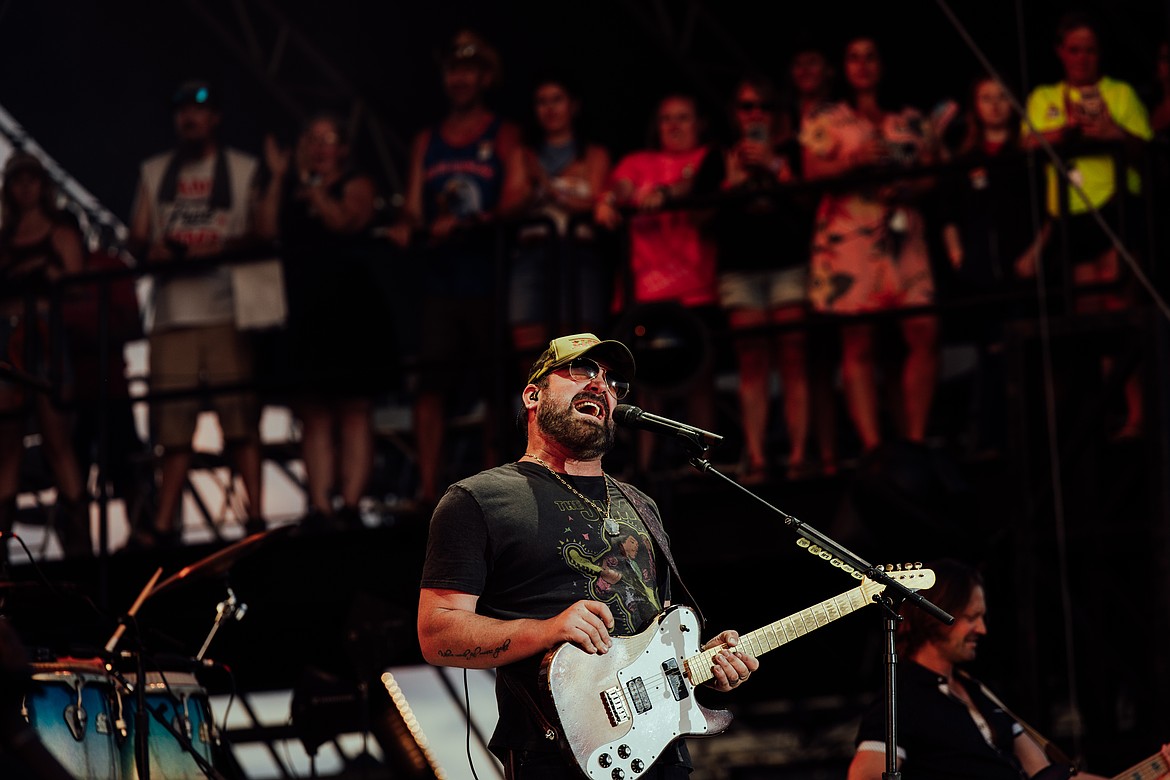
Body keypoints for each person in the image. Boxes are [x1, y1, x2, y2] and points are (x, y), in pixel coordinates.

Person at [418, 332, 760, 778]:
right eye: (582, 370)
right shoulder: (479, 499)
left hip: (660, 752)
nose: (601, 385)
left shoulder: (640, 504)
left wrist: (701, 663)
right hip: (556, 753)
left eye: (614, 382)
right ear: (533, 395)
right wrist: (546, 630)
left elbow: (654, 630)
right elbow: (436, 632)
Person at [846, 558, 1169, 780]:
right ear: (934, 616)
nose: (982, 629)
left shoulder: (977, 693)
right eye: (971, 617)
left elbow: (1045, 773)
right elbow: (865, 776)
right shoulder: (902, 700)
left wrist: (1159, 770)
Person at [387, 29, 529, 507]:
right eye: (453, 70)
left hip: (489, 277)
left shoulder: (503, 133)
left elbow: (516, 197)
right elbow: (413, 206)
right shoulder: (427, 141)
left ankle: (497, 491)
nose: (460, 78)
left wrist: (473, 221)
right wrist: (407, 224)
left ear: (485, 76)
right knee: (430, 386)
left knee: (495, 385)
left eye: (469, 69)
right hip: (440, 281)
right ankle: (429, 491)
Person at [127, 79, 265, 547]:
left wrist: (216, 248)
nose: (189, 117)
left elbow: (262, 232)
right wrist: (153, 250)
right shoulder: (154, 171)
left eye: (198, 110)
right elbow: (136, 236)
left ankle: (256, 518)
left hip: (228, 310)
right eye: (182, 110)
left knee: (240, 419)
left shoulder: (243, 168)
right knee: (173, 426)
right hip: (172, 315)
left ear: (215, 117)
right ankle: (166, 525)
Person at [801, 34, 941, 454]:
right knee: (858, 341)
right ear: (843, 67)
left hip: (901, 234)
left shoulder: (909, 118)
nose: (863, 65)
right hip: (850, 238)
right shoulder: (827, 117)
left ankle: (916, 442)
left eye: (870, 57)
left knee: (924, 330)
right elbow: (810, 171)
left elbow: (933, 173)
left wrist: (909, 186)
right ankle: (873, 448)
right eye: (854, 57)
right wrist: (854, 161)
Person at [257, 112, 392, 531]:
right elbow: (264, 230)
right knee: (313, 410)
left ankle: (350, 504)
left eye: (327, 139)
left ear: (343, 149)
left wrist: (313, 187)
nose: (318, 147)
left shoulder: (356, 183)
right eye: (311, 139)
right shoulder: (292, 188)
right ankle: (320, 506)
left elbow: (343, 221)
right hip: (305, 311)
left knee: (354, 407)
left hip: (350, 310)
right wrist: (280, 177)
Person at [1022, 11, 1153, 439]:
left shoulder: (1120, 92)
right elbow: (1027, 142)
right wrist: (1068, 131)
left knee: (1122, 307)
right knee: (1088, 317)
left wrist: (1114, 133)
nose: (1082, 58)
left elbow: (1148, 151)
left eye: (1090, 50)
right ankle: (1101, 414)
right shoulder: (1044, 96)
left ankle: (1137, 415)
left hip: (1117, 207)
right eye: (1074, 50)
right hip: (1069, 216)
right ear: (1061, 52)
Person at [692, 75, 812, 483]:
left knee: (794, 357)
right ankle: (758, 456)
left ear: (777, 113)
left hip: (789, 263)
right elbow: (699, 218)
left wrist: (777, 168)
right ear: (735, 113)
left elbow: (814, 203)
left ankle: (799, 456)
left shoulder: (792, 151)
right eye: (747, 106)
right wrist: (733, 184)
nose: (755, 114)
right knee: (752, 362)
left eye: (763, 106)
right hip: (740, 270)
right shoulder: (719, 157)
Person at [594, 93, 720, 476]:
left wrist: (666, 194)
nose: (674, 126)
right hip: (642, 290)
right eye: (667, 119)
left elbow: (697, 186)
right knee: (643, 383)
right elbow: (621, 186)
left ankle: (704, 465)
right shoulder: (637, 161)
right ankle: (643, 467)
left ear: (699, 123)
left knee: (698, 376)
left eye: (683, 117)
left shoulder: (708, 157)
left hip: (693, 286)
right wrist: (608, 200)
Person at [0, 152, 91, 558]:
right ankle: (3, 547)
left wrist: (49, 274)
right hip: (9, 338)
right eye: (17, 180)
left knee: (57, 438)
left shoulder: (60, 233)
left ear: (42, 185)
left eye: (31, 179)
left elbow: (79, 286)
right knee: (7, 444)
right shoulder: (5, 238)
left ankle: (79, 543)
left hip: (45, 338)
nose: (25, 187)